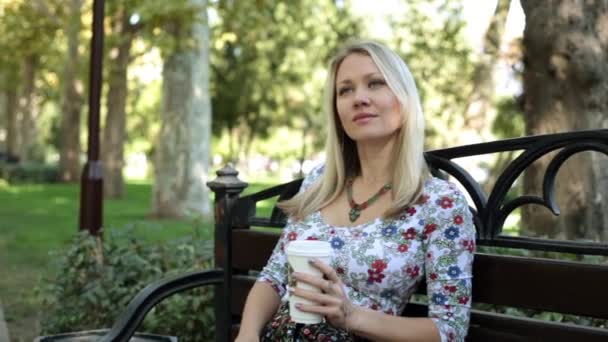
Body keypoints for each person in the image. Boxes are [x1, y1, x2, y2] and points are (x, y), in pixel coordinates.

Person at [235, 40, 475, 342]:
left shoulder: (439, 203)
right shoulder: (320, 183)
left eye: (375, 84)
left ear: (404, 98)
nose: (359, 98)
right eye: (345, 90)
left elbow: (449, 330)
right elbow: (273, 277)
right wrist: (247, 334)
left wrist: (351, 316)